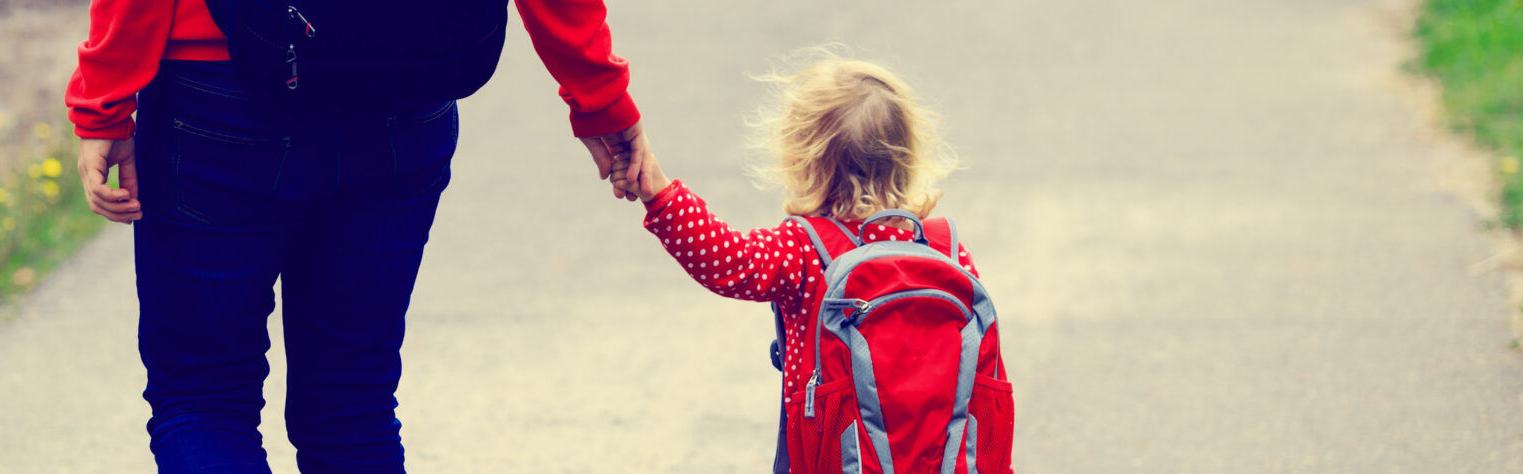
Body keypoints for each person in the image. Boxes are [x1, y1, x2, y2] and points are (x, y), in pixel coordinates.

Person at [64, 0, 662, 471]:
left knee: (204, 401)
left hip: (219, 92)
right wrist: (599, 97)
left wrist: (104, 102)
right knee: (353, 409)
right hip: (408, 88)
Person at [611, 56, 1006, 472]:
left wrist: (662, 195)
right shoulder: (946, 249)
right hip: (944, 459)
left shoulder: (805, 249)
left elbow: (727, 261)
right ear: (907, 154)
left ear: (805, 161)